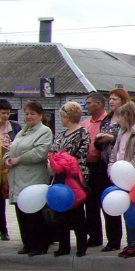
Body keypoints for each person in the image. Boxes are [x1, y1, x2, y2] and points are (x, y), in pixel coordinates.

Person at [3, 101, 52, 256]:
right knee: (21, 213)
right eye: (27, 114)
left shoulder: (44, 131)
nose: (29, 117)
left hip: (33, 178)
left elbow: (40, 152)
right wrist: (6, 159)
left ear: (40, 115)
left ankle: (39, 245)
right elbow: (12, 148)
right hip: (18, 178)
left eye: (32, 114)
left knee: (34, 214)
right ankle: (28, 243)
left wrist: (18, 159)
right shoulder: (22, 131)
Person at [107, 101, 135, 258]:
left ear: (127, 116)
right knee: (127, 210)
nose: (117, 120)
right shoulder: (121, 134)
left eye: (119, 117)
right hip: (121, 179)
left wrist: (126, 172)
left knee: (133, 211)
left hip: (134, 179)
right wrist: (112, 170)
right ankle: (132, 242)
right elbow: (114, 154)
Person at [48, 101, 90, 257]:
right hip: (60, 176)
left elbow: (76, 154)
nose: (61, 119)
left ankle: (81, 246)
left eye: (62, 116)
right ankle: (63, 246)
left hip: (75, 177)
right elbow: (53, 151)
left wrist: (60, 159)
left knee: (77, 213)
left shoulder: (82, 133)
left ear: (67, 117)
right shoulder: (61, 134)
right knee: (61, 212)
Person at [91, 88, 130, 251]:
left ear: (123, 100)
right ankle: (112, 240)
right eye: (110, 99)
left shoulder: (126, 117)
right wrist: (99, 141)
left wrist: (111, 138)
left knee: (126, 203)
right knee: (107, 202)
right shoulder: (107, 118)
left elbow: (128, 138)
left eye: (115, 99)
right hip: (104, 163)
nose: (111, 102)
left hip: (121, 166)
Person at [82, 92, 109, 249]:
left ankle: (113, 239)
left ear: (99, 104)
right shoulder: (85, 123)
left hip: (102, 166)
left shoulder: (107, 121)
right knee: (90, 204)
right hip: (88, 166)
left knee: (106, 203)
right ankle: (94, 236)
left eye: (89, 103)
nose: (86, 106)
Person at [0, 98, 21, 242]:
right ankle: (3, 230)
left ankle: (5, 230)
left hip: (10, 167)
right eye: (3, 113)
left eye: (8, 113)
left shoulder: (15, 127)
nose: (6, 116)